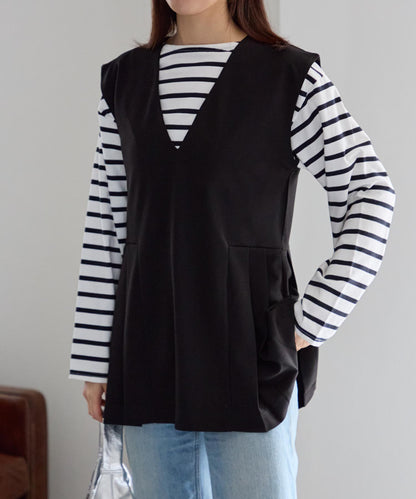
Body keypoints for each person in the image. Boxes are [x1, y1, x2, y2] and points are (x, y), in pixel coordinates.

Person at [68, 1, 396, 497]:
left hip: (251, 363)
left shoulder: (290, 77)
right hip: (146, 357)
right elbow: (107, 223)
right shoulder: (122, 80)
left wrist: (309, 322)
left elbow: (370, 193)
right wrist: (96, 359)